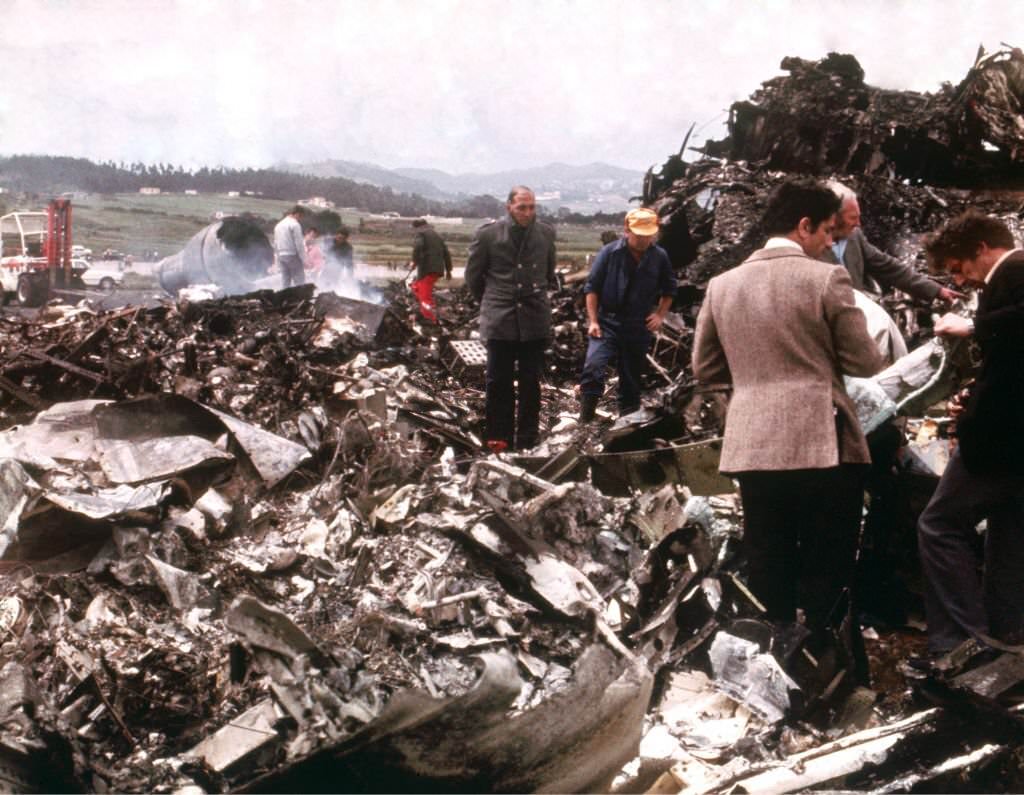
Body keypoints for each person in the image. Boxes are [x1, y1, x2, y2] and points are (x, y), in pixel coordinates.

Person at [692, 178, 883, 675]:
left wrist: (755, 389)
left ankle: (772, 667)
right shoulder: (826, 279)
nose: (829, 243)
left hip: (753, 443)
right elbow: (866, 360)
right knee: (828, 562)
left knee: (768, 558)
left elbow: (706, 371)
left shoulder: (722, 285)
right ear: (804, 226)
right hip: (822, 443)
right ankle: (830, 667)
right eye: (826, 232)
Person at [912, 211, 1024, 666]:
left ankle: (960, 642)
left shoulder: (1014, 272)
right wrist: (972, 393)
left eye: (958, 268)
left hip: (1001, 439)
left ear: (980, 248)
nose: (962, 280)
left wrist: (976, 327)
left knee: (938, 525)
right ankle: (1008, 636)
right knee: (1009, 536)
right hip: (1012, 435)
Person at [465, 186, 557, 452]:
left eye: (531, 207)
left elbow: (548, 273)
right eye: (521, 207)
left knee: (531, 383)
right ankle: (499, 437)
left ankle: (527, 440)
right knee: (498, 382)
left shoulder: (546, 233)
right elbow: (474, 278)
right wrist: (493, 302)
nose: (527, 213)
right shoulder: (488, 235)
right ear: (509, 207)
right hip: (500, 319)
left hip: (533, 319)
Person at [578, 208, 676, 420]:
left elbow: (670, 290)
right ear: (627, 230)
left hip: (638, 325)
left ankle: (627, 423)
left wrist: (659, 315)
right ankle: (584, 421)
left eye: (648, 235)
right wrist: (593, 321)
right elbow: (592, 289)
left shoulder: (659, 257)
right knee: (593, 366)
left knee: (631, 378)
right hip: (607, 321)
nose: (643, 240)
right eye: (639, 235)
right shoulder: (610, 253)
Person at [823, 181, 960, 303]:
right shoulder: (808, 248)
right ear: (834, 217)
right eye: (853, 217)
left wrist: (936, 290)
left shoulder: (854, 236)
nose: (858, 223)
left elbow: (889, 267)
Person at [410, 218, 452, 322]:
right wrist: (448, 270)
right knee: (416, 287)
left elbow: (418, 246)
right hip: (437, 270)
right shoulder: (437, 235)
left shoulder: (421, 234)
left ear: (417, 227)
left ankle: (431, 320)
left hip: (426, 269)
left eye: (414, 229)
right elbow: (446, 253)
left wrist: (414, 262)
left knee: (424, 297)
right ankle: (432, 311)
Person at [274, 205, 308, 288]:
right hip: (292, 255)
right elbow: (299, 244)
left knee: (285, 281)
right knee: (300, 281)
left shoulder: (278, 225)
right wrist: (304, 259)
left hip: (281, 256)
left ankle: (284, 299)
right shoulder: (295, 225)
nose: (300, 219)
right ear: (297, 214)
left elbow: (276, 244)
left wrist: (278, 259)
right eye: (301, 216)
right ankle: (301, 299)